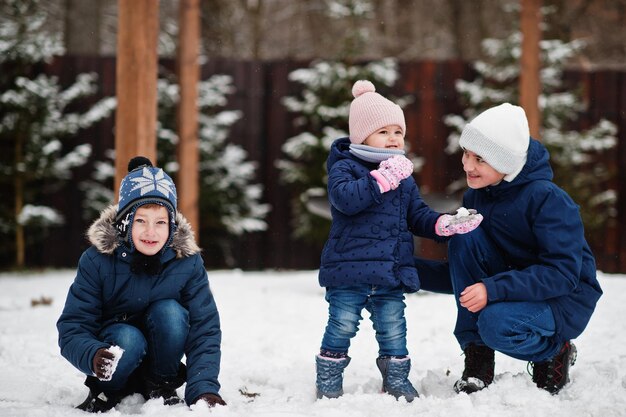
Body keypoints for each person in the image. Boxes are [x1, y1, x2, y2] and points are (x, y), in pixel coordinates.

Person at [315, 80, 483, 401]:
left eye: (398, 132)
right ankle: (328, 377)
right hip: (348, 271)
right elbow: (346, 199)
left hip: (390, 272)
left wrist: (444, 224)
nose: (393, 138)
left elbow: (416, 215)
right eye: (384, 131)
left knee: (393, 329)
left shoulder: (403, 176)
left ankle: (395, 378)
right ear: (361, 135)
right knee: (342, 326)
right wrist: (382, 178)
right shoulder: (345, 167)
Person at [445, 103, 603, 395]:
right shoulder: (477, 195)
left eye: (479, 158)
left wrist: (493, 289)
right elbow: (465, 270)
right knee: (462, 236)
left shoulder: (548, 200)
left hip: (563, 298)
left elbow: (562, 275)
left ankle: (554, 351)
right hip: (513, 283)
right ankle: (477, 357)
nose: (467, 165)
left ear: (505, 162)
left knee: (495, 324)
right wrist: (403, 272)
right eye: (466, 153)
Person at [57, 157, 226, 412]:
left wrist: (203, 389)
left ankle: (161, 385)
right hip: (116, 357)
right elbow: (73, 326)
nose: (151, 232)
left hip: (162, 362)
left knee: (170, 311)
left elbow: (205, 329)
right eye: (140, 221)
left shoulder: (187, 262)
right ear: (125, 222)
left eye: (160, 222)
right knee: (128, 336)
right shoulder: (97, 260)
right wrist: (93, 356)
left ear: (171, 225)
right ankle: (106, 393)